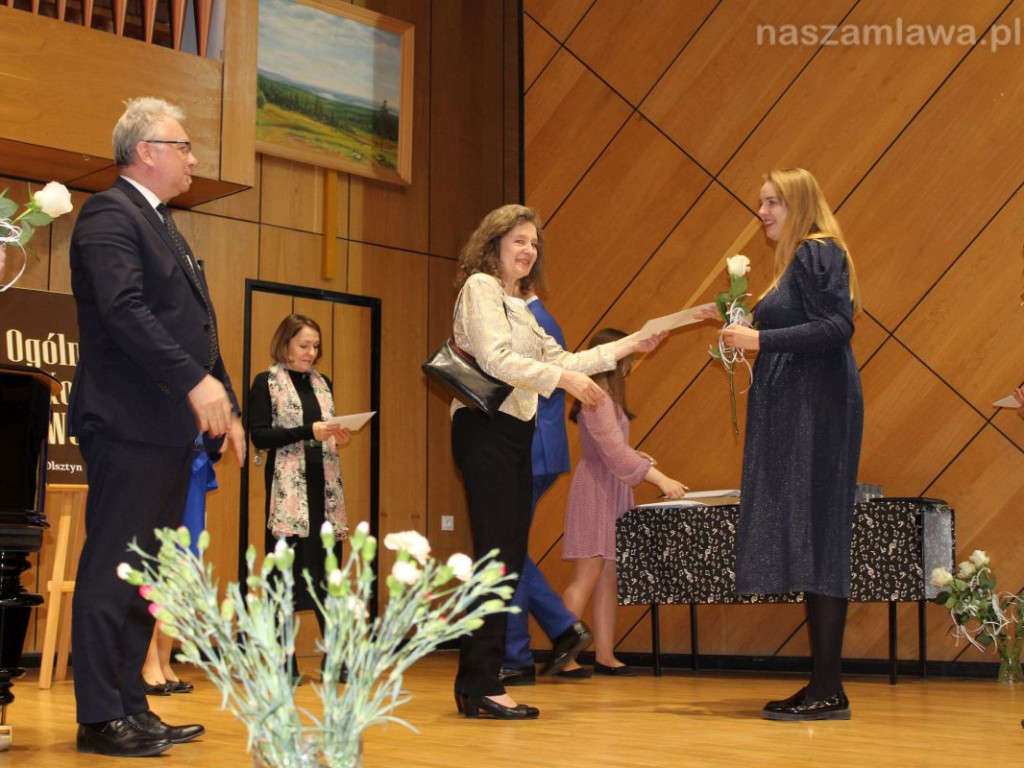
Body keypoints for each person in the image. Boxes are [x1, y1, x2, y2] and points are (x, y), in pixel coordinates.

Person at [69, 97, 245, 757]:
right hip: (127, 420)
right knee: (113, 565)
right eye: (184, 146)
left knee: (147, 574)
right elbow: (124, 310)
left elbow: (194, 324)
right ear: (146, 150)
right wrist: (196, 383)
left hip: (168, 427)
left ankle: (131, 708)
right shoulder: (108, 215)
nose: (194, 158)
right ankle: (98, 716)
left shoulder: (160, 223)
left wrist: (223, 400)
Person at [448, 204, 667, 720]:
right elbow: (499, 360)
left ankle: (476, 683)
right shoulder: (480, 289)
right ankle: (482, 683)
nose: (528, 250)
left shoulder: (520, 303)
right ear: (494, 243)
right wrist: (565, 381)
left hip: (512, 432)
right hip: (485, 430)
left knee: (502, 555)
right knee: (498, 558)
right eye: (519, 240)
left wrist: (632, 344)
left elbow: (561, 359)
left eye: (534, 243)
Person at [708, 167, 863, 721]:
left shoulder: (817, 252)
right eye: (761, 202)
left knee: (819, 537)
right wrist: (745, 322)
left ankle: (828, 688)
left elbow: (837, 326)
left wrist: (759, 338)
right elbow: (810, 322)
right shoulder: (799, 260)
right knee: (812, 537)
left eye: (773, 202)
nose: (763, 212)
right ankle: (824, 683)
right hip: (804, 412)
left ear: (799, 203)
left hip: (816, 415)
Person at [559, 328, 687, 677]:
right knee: (586, 577)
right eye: (627, 358)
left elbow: (614, 450)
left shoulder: (604, 399)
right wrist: (660, 479)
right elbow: (614, 454)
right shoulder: (597, 398)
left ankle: (604, 655)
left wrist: (637, 457)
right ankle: (564, 657)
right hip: (596, 491)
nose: (630, 366)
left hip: (609, 489)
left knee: (607, 577)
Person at [248, 314, 351, 679]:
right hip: (288, 495)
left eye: (316, 346)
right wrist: (310, 430)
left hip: (324, 490)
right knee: (284, 579)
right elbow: (260, 435)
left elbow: (321, 432)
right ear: (285, 344)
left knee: (328, 575)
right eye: (304, 345)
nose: (311, 352)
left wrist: (336, 434)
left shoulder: (324, 384)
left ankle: (335, 660)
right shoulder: (266, 383)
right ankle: (283, 663)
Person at [498, 292, 592, 687]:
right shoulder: (538, 318)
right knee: (509, 551)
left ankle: (546, 637)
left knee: (506, 550)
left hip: (530, 450)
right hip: (540, 449)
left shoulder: (530, 321)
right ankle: (519, 652)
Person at [140, 438, 219, 696]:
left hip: (192, 454)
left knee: (182, 561)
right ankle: (146, 659)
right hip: (158, 454)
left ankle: (164, 658)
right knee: (155, 559)